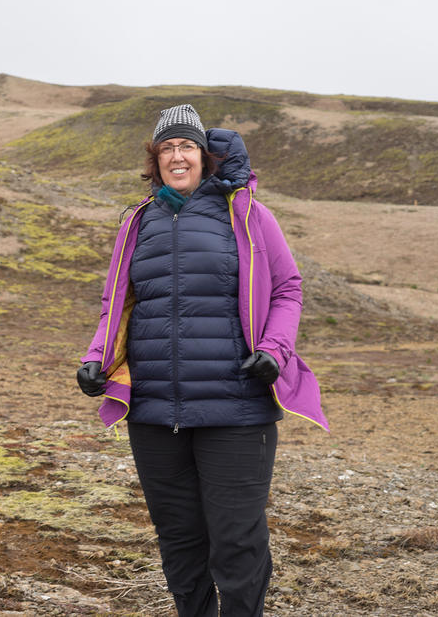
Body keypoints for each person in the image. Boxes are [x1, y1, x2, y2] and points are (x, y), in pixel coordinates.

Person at [77, 104, 328, 616]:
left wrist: (274, 352)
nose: (176, 156)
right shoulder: (137, 222)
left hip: (235, 405)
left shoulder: (249, 214)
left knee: (236, 539)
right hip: (152, 409)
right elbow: (117, 302)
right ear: (155, 160)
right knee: (179, 538)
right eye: (166, 148)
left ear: (205, 157)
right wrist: (96, 357)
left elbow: (288, 288)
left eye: (186, 146)